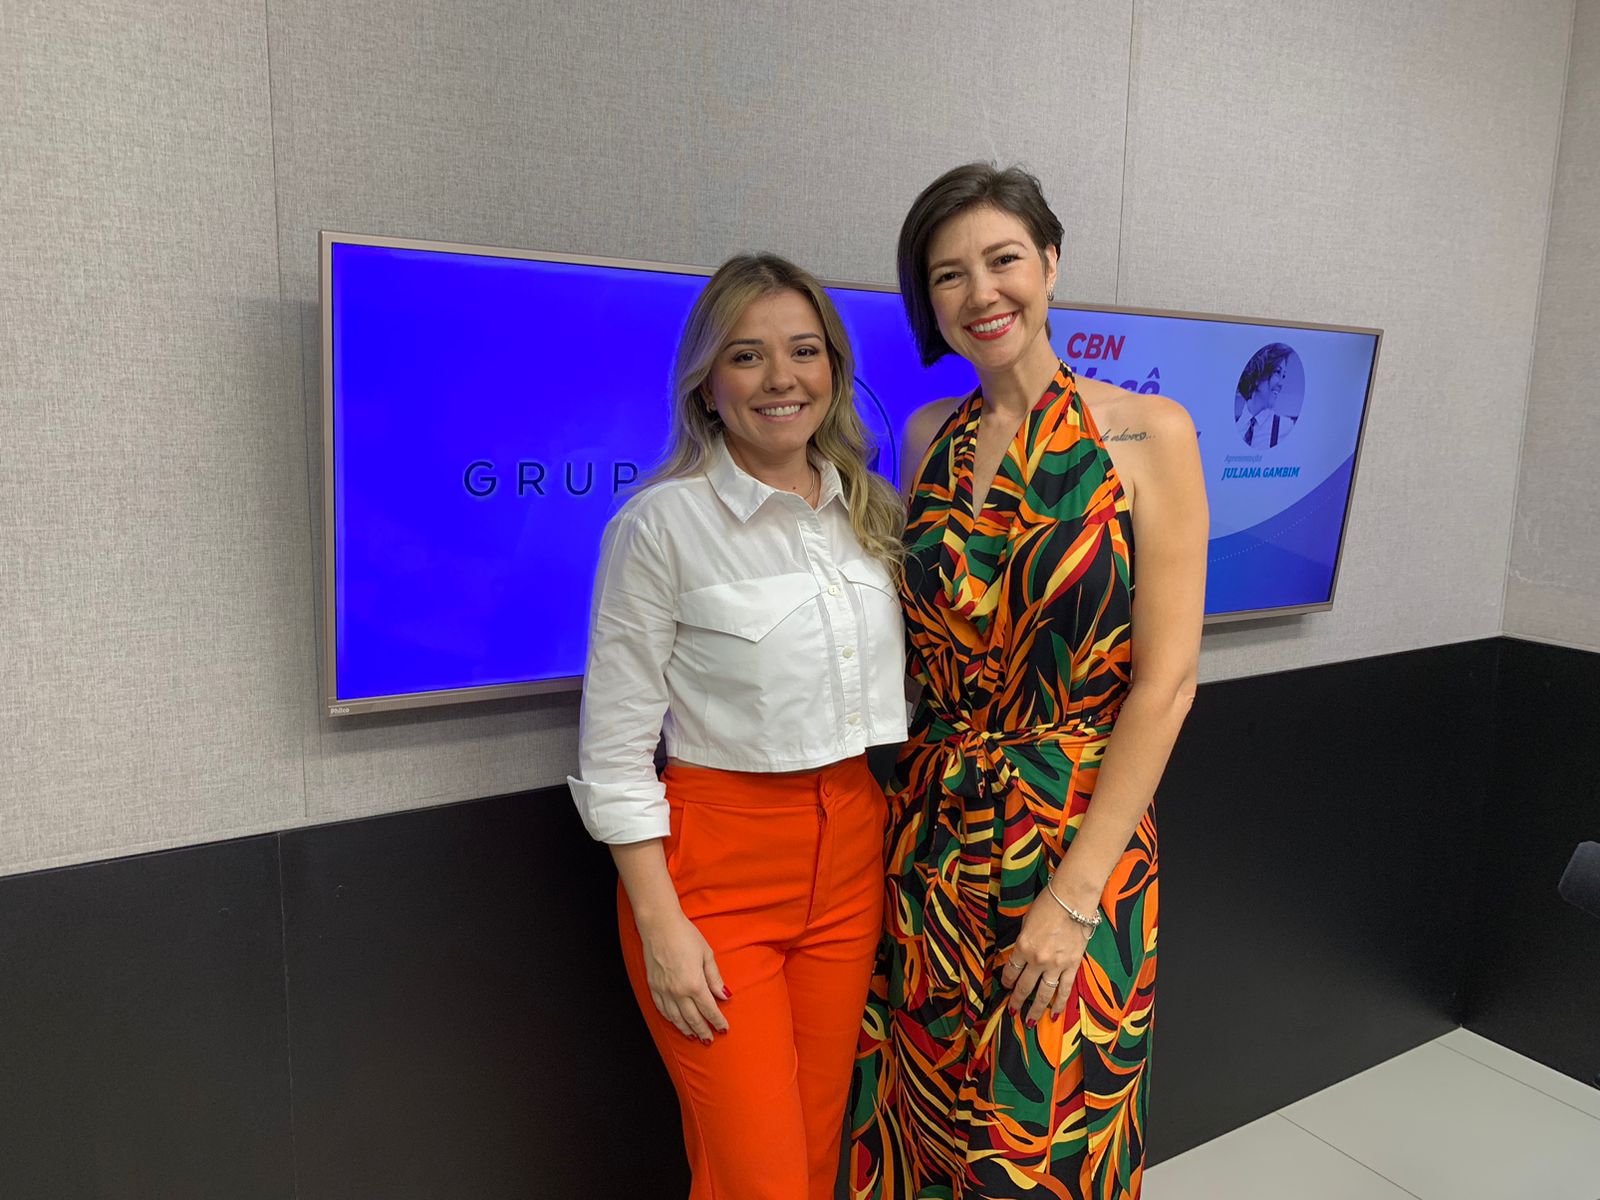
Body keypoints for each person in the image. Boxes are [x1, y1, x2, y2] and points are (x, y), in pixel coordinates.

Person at [848, 164, 1208, 1199]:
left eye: (1003, 260)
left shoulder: (1149, 432)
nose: (980, 293)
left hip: (1074, 836)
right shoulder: (923, 436)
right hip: (928, 832)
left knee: (1047, 1139)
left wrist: (1076, 895)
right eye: (948, 274)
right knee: (923, 1118)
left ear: (1049, 266)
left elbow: (1166, 684)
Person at [567, 253, 909, 1200]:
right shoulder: (661, 525)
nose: (780, 379)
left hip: (850, 846)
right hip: (713, 870)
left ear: (834, 370)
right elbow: (614, 753)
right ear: (708, 385)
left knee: (809, 1148)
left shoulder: (869, 513)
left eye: (804, 351)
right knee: (759, 1177)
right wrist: (660, 922)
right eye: (748, 357)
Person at [1236, 343, 1296, 448]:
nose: (1281, 383)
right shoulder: (1235, 427)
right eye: (1277, 372)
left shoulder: (1286, 428)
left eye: (1283, 376)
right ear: (1257, 374)